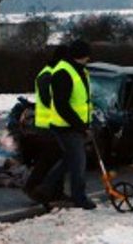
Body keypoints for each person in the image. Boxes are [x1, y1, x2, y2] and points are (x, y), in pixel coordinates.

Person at [34, 39, 96, 210]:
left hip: (74, 125)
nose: (89, 59)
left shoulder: (81, 71)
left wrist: (88, 121)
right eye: (87, 56)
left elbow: (83, 100)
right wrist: (80, 126)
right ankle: (79, 198)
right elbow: (62, 105)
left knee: (70, 159)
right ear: (82, 56)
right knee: (78, 161)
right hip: (65, 126)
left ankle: (44, 188)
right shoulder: (63, 73)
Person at [22, 45, 68, 203]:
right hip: (46, 126)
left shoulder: (53, 73)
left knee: (57, 158)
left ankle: (55, 192)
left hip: (54, 125)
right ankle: (32, 186)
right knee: (49, 159)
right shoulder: (47, 75)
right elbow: (50, 101)